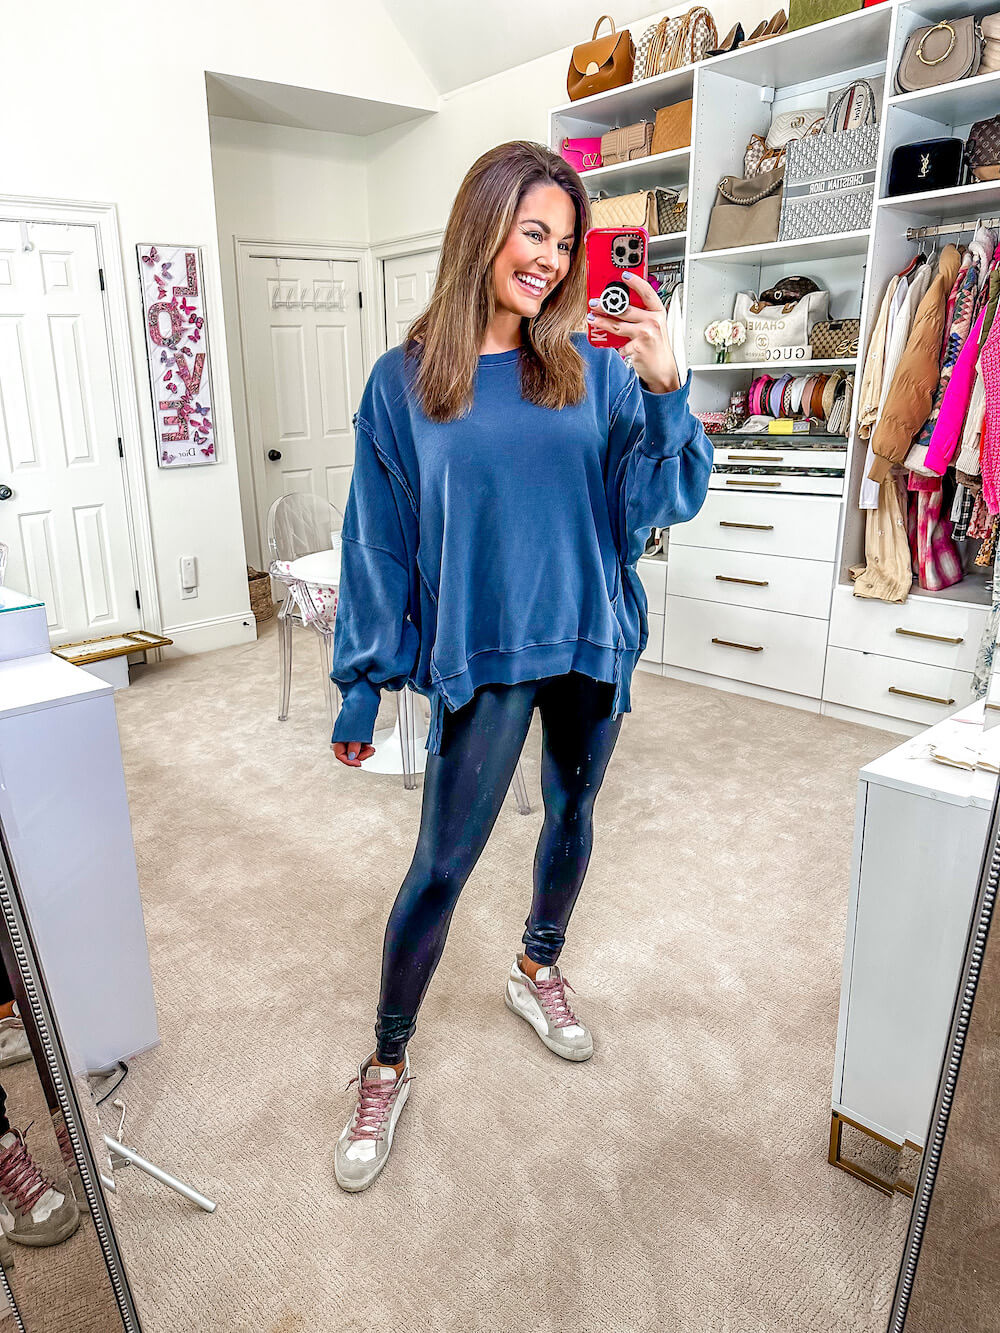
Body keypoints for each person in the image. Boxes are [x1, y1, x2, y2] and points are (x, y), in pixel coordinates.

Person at [329, 140, 711, 1192]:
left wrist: (669, 389)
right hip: (484, 650)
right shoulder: (402, 383)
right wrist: (364, 677)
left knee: (574, 817)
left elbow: (658, 505)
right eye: (531, 231)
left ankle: (537, 965)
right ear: (483, 227)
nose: (547, 258)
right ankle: (385, 1058)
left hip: (590, 639)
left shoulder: (592, 372)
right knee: (440, 866)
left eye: (565, 240)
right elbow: (380, 543)